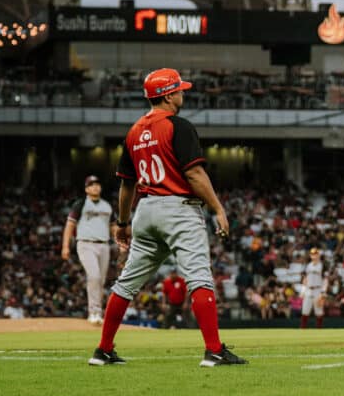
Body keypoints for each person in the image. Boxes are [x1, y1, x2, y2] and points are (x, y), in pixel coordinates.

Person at [88, 67, 246, 367]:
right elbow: (195, 173)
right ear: (169, 94)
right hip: (179, 209)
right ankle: (214, 350)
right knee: (199, 276)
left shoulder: (134, 132)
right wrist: (218, 208)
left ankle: (104, 349)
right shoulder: (178, 126)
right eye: (180, 89)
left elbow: (126, 184)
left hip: (145, 210)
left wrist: (122, 223)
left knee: (126, 283)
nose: (182, 93)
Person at [61, 175, 117, 324]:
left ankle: (97, 312)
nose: (95, 187)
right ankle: (94, 312)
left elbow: (113, 227)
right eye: (91, 185)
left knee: (101, 280)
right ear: (86, 189)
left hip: (104, 244)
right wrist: (65, 246)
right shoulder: (80, 204)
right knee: (94, 276)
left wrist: (120, 241)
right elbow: (70, 225)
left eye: (97, 184)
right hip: (86, 244)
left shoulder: (107, 205)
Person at [300, 247, 327, 329]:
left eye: (315, 254)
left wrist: (323, 292)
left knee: (319, 312)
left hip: (318, 290)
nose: (314, 256)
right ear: (310, 256)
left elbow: (326, 280)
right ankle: (302, 330)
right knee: (305, 311)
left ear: (318, 255)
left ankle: (319, 330)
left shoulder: (323, 265)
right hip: (308, 290)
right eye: (312, 254)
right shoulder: (308, 266)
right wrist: (303, 290)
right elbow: (305, 279)